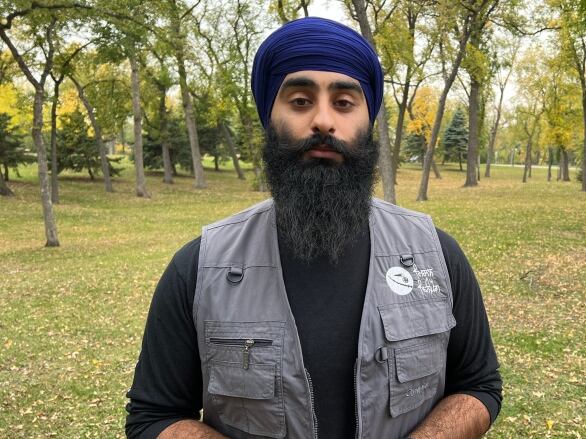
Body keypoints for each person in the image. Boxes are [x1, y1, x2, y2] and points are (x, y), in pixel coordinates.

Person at [125, 17, 501, 439]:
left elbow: (479, 385)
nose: (323, 121)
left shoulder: (438, 257)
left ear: (368, 119)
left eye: (344, 102)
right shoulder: (199, 269)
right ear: (271, 116)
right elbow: (153, 416)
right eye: (301, 101)